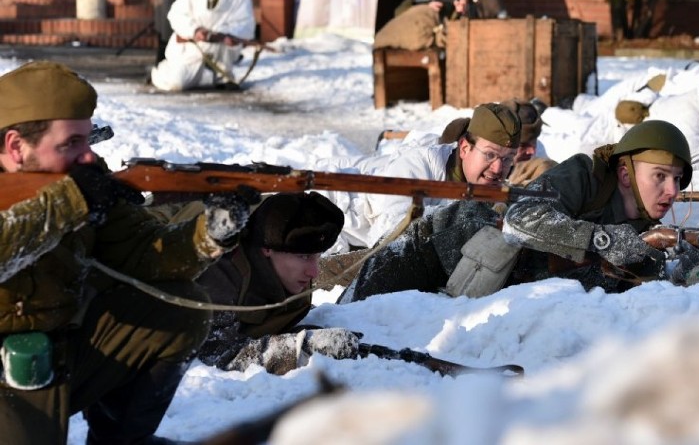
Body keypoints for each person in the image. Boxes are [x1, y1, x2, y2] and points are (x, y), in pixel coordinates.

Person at [0, 61, 252, 444]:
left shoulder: (81, 178)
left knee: (180, 308)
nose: (88, 156)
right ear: (16, 146)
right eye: (71, 143)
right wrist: (71, 201)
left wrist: (210, 233)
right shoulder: (75, 190)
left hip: (59, 352)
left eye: (87, 139)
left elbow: (141, 251)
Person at [338, 120, 699, 303]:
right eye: (660, 176)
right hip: (432, 248)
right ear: (625, 173)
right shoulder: (583, 176)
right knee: (343, 318)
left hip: (469, 284)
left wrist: (679, 263)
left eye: (677, 180)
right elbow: (521, 219)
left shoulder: (642, 222)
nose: (672, 192)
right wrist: (602, 238)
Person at [319, 102, 521, 253]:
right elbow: (388, 235)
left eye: (507, 158)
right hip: (328, 215)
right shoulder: (420, 165)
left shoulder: (488, 183)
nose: (498, 168)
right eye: (490, 155)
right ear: (465, 148)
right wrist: (460, 217)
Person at [196, 192, 360, 375]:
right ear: (267, 248)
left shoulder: (286, 271)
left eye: (317, 256)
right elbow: (215, 354)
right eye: (304, 256)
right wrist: (301, 347)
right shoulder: (219, 272)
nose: (314, 272)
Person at [150, 0, 256, 92]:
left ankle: (221, 76)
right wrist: (194, 30)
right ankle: (161, 72)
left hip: (221, 52)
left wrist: (228, 35)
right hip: (193, 48)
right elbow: (176, 14)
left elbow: (246, 24)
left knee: (226, 81)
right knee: (177, 83)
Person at [439, 98, 557, 186]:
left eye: (534, 142)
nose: (532, 151)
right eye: (523, 145)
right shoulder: (437, 166)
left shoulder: (536, 155)